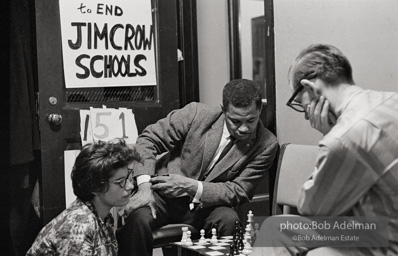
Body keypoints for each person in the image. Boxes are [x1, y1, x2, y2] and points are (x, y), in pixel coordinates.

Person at [254, 44, 398, 255]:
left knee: (285, 237)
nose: (305, 115)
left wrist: (328, 135)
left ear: (310, 87)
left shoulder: (345, 136)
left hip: (385, 236)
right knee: (278, 229)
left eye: (301, 103)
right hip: (378, 224)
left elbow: (313, 208)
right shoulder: (391, 100)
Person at [116, 79, 279, 256]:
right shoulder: (196, 114)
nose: (244, 128)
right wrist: (144, 187)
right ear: (223, 111)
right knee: (138, 218)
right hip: (162, 196)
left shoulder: (266, 144)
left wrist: (191, 186)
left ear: (260, 110)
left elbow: (240, 190)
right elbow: (148, 140)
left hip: (207, 206)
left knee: (229, 220)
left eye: (251, 120)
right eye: (236, 121)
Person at [26, 138, 139, 256]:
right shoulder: (79, 226)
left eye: (128, 177)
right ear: (95, 187)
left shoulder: (103, 216)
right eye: (120, 181)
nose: (130, 186)